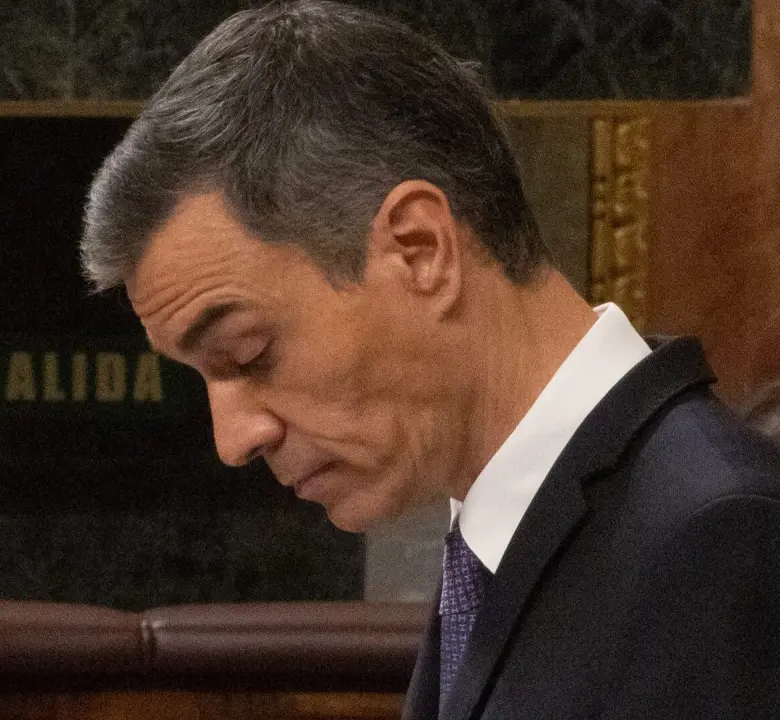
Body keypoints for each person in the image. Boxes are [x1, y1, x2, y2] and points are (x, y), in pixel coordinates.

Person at [77, 2, 780, 719]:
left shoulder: (721, 539)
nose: (233, 440)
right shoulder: (505, 539)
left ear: (421, 250)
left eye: (248, 353)